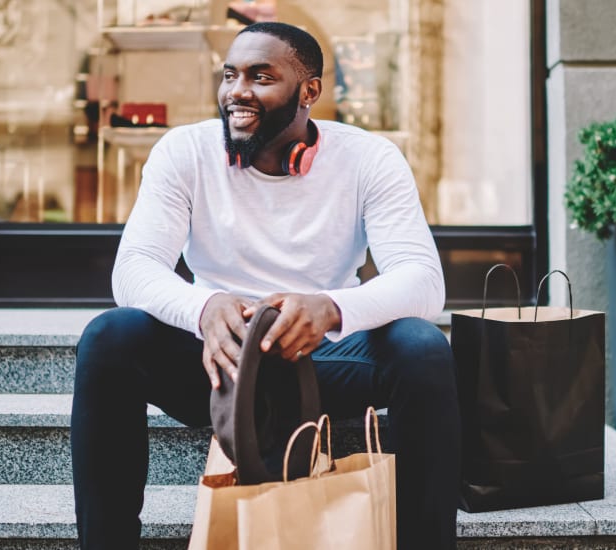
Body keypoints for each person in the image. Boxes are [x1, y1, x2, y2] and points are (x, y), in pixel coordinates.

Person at [71, 21, 460, 549]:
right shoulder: (183, 152)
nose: (237, 92)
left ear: (310, 92)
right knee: (108, 337)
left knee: (422, 348)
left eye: (260, 77)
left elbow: (422, 280)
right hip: (219, 366)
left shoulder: (370, 158)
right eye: (230, 75)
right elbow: (134, 267)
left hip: (323, 364)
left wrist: (329, 309)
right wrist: (203, 307)